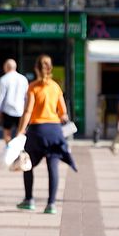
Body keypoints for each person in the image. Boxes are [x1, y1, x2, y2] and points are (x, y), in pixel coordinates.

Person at [15, 54, 77, 215]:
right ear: (50, 69)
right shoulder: (56, 87)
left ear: (36, 68)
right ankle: (51, 204)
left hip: (37, 131)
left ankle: (29, 200)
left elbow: (28, 111)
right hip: (54, 131)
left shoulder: (33, 87)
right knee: (53, 167)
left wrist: (20, 131)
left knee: (27, 164)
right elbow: (63, 113)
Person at [0, 59, 28, 144]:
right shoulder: (23, 79)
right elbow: (27, 96)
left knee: (7, 132)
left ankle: (9, 150)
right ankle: (19, 151)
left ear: (6, 67)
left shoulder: (3, 79)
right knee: (21, 132)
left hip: (8, 110)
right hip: (20, 110)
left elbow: (1, 96)